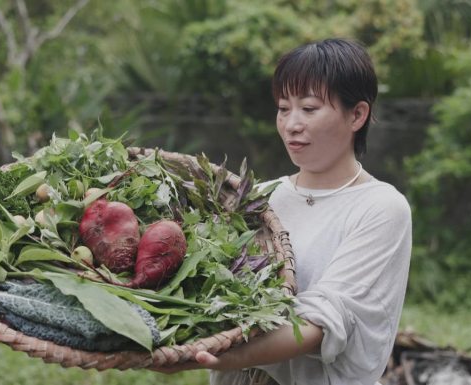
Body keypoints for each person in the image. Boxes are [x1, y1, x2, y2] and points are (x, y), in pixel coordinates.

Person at [159, 38, 412, 385]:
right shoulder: (261, 198)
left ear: (357, 115)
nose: (292, 123)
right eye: (283, 108)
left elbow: (319, 324)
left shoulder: (380, 208)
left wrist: (214, 354)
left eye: (309, 109)